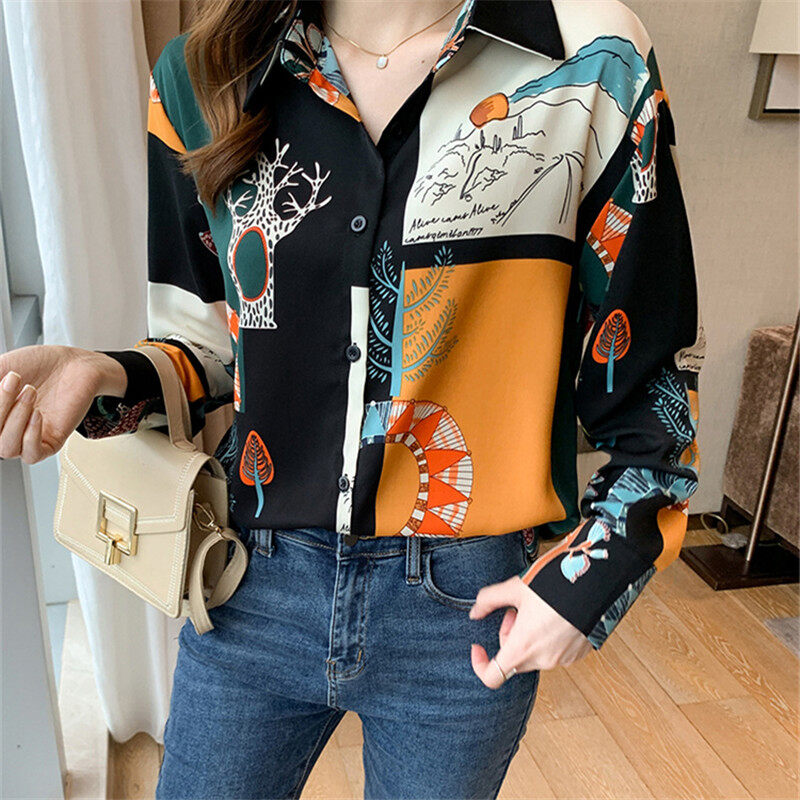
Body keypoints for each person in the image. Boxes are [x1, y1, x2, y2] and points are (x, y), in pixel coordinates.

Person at [0, 0, 705, 797]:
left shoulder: (592, 61)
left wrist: (589, 581)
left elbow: (654, 380)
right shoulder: (203, 75)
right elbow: (211, 347)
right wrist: (105, 376)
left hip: (464, 609)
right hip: (250, 583)